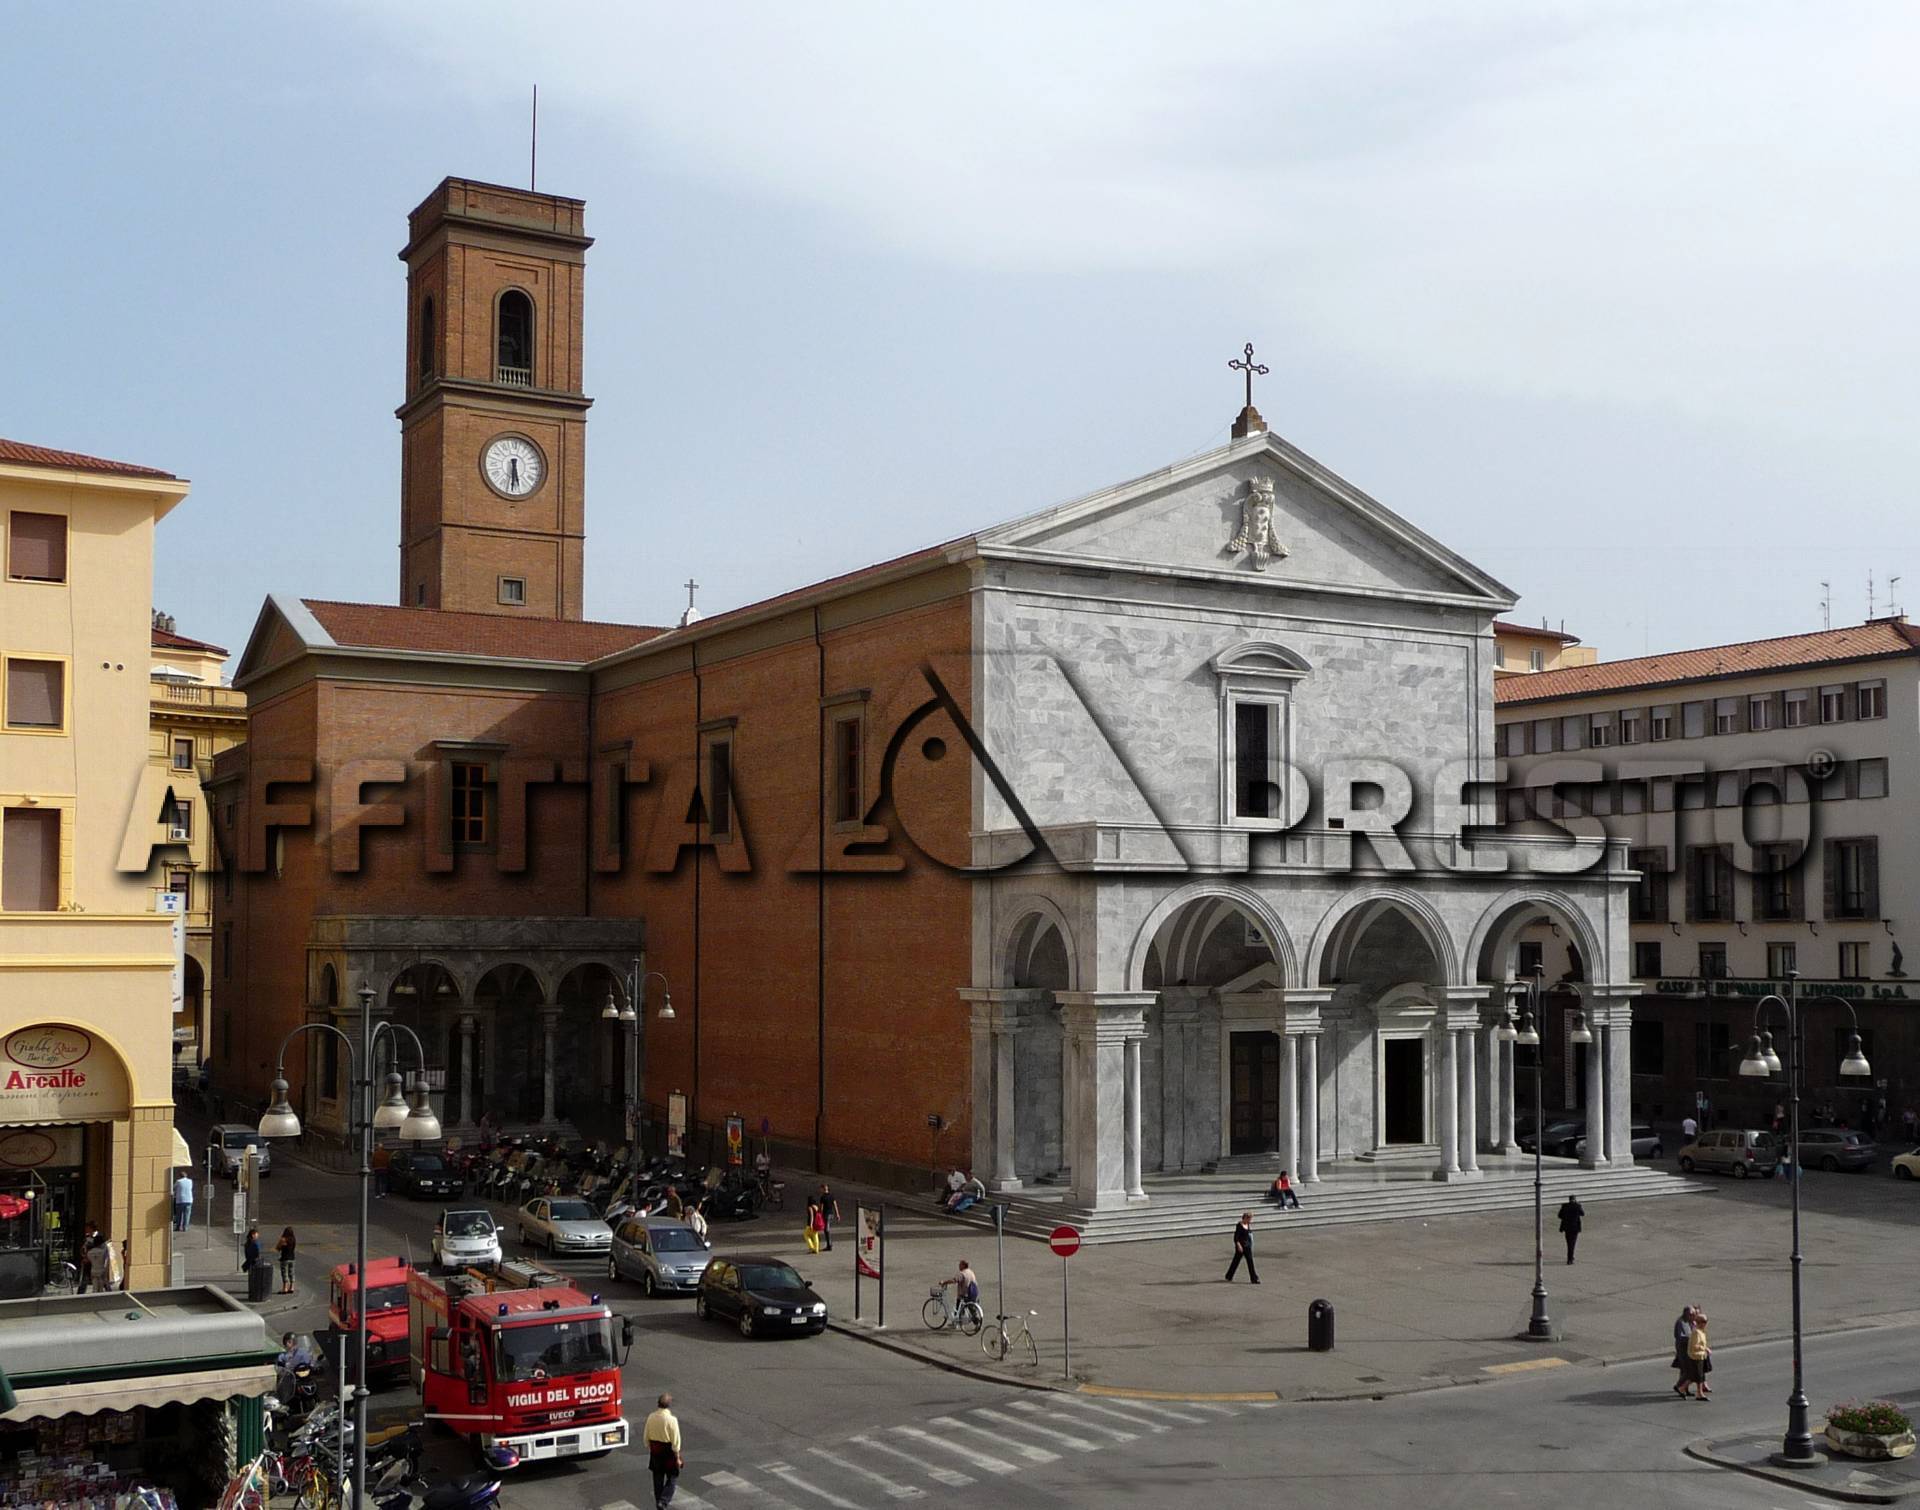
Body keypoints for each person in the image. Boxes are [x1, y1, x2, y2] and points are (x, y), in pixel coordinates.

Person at [644, 1391, 683, 1509]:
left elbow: (646, 1437)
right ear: (669, 1405)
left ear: (658, 1403)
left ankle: (659, 1503)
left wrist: (650, 1447)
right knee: (673, 1476)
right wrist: (677, 1457)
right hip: (668, 1452)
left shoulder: (651, 1417)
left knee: (658, 1478)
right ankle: (664, 1500)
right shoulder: (671, 1420)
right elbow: (675, 1441)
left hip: (655, 1451)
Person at [1225, 1211, 1259, 1284]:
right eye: (1249, 1219)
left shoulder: (1247, 1224)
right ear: (1245, 1218)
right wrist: (1239, 1245)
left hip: (1247, 1246)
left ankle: (1254, 1278)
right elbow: (1236, 1237)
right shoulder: (1239, 1226)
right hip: (1241, 1246)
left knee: (1250, 1262)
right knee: (1236, 1261)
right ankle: (1229, 1275)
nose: (1250, 1220)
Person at [1686, 1310, 1712, 1399]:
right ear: (1699, 1322)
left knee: (1698, 1376)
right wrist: (1704, 1348)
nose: (1706, 1323)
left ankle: (1683, 1388)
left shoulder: (1701, 1331)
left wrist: (1705, 1349)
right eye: (1704, 1321)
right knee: (1697, 1376)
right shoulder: (1696, 1332)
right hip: (1696, 1356)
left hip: (1701, 1355)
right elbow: (1695, 1346)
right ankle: (1697, 1393)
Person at [1556, 1194, 1584, 1264]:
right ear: (1575, 1199)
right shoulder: (1578, 1206)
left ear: (1569, 1199)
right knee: (1572, 1243)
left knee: (1569, 1243)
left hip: (1567, 1227)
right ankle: (1570, 1259)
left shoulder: (1565, 1206)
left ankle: (1571, 1257)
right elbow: (1582, 1214)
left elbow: (1559, 1215)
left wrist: (1566, 1217)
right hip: (1575, 1228)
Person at [77, 1221, 101, 1292]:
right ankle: (80, 1293)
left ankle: (106, 1290)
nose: (86, 1229)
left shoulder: (98, 1237)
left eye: (87, 1228)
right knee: (85, 1277)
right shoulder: (87, 1237)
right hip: (87, 1261)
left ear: (91, 1228)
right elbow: (85, 1247)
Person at [817, 1182, 841, 1252]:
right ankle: (829, 1244)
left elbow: (821, 1208)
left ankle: (829, 1245)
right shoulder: (832, 1196)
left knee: (826, 1230)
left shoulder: (822, 1197)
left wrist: (820, 1215)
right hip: (831, 1214)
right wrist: (837, 1214)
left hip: (826, 1215)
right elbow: (835, 1205)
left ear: (822, 1189)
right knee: (826, 1229)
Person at [275, 1227, 298, 1295]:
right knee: (291, 1272)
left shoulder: (283, 1240)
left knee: (284, 1273)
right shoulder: (293, 1239)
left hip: (285, 1258)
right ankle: (292, 1287)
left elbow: (277, 1248)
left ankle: (285, 1288)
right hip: (292, 1258)